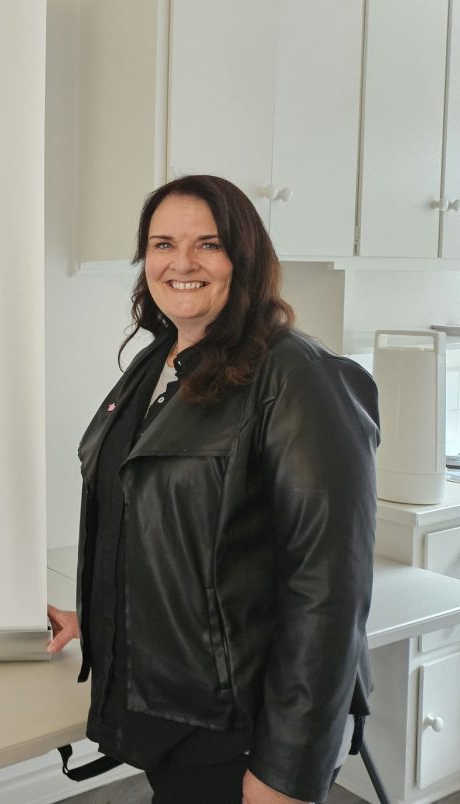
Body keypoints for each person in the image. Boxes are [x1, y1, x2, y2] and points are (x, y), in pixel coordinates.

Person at [46, 175, 379, 804]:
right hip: (172, 711)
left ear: (245, 258)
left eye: (209, 244)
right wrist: (99, 615)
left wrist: (288, 768)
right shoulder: (160, 360)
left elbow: (329, 589)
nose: (182, 263)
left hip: (240, 731)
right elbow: (161, 528)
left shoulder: (297, 377)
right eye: (163, 243)